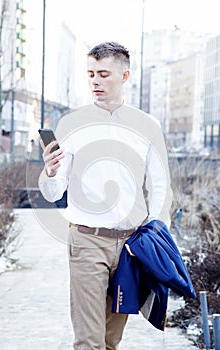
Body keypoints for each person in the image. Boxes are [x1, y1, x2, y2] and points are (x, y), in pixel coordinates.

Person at [38, 42, 173, 350]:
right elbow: (53, 190)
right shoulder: (71, 123)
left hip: (130, 246)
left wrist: (154, 236)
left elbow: (161, 186)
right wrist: (48, 171)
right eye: (90, 74)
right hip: (86, 241)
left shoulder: (147, 125)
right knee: (89, 341)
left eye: (103, 74)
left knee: (111, 340)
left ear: (124, 76)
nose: (95, 81)